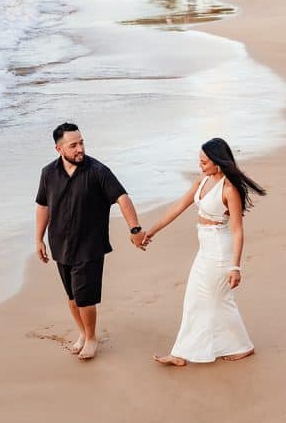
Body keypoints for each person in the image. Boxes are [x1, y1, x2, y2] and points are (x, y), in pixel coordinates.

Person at [143, 137, 265, 366]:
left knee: (216, 300)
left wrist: (235, 267)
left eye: (205, 162)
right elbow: (179, 206)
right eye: (200, 161)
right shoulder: (203, 180)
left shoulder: (229, 190)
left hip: (220, 251)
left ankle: (240, 347)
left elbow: (238, 230)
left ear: (218, 161)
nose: (201, 165)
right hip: (205, 250)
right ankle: (187, 352)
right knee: (199, 300)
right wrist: (153, 230)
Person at [35, 123, 147, 361]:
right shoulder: (48, 173)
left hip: (89, 245)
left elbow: (122, 198)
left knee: (85, 297)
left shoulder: (97, 171)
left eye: (81, 143)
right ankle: (82, 334)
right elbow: (43, 205)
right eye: (73, 145)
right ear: (59, 148)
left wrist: (134, 228)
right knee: (72, 297)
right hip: (60, 244)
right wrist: (39, 238)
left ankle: (92, 338)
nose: (80, 149)